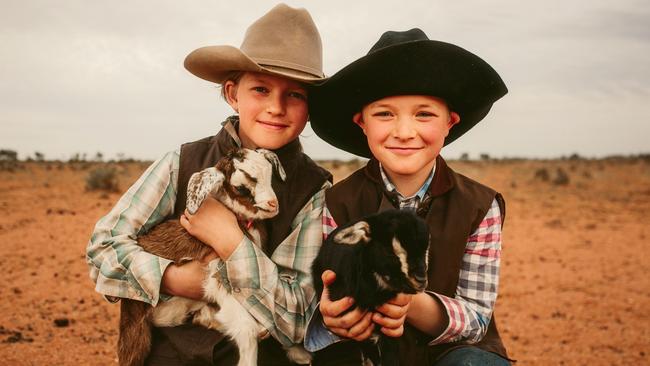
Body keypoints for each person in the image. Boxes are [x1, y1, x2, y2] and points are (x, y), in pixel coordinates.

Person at [86, 4, 332, 365]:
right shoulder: (181, 163)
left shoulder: (313, 190)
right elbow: (103, 249)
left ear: (309, 107)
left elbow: (297, 318)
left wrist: (231, 243)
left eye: (295, 94)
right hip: (171, 354)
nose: (276, 107)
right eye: (261, 89)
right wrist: (174, 277)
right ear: (233, 94)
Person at [305, 28, 512, 365]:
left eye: (424, 114)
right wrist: (332, 315)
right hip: (368, 349)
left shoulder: (480, 205)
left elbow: (476, 320)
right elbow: (328, 287)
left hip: (449, 353)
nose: (404, 132)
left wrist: (411, 304)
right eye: (384, 113)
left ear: (450, 123)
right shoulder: (336, 202)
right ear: (362, 123)